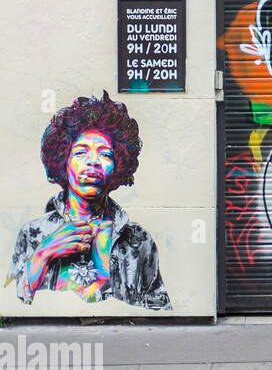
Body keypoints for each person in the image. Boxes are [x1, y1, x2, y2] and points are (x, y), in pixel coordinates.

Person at [6, 92, 170, 310]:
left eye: (105, 154)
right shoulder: (34, 233)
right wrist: (43, 254)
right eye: (81, 153)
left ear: (118, 166)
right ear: (64, 161)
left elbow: (159, 309)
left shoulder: (138, 240)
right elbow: (13, 304)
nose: (93, 162)